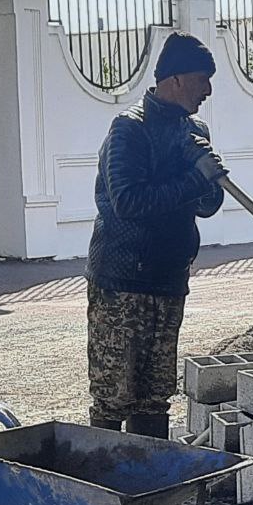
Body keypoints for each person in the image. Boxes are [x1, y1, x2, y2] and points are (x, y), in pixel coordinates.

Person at [84, 31, 229, 438]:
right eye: (202, 79)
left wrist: (208, 180)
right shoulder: (129, 129)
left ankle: (150, 476)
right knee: (114, 395)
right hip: (123, 284)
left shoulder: (194, 130)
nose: (208, 90)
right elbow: (128, 201)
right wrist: (192, 180)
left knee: (155, 396)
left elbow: (207, 204)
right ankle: (104, 474)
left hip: (168, 281)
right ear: (176, 79)